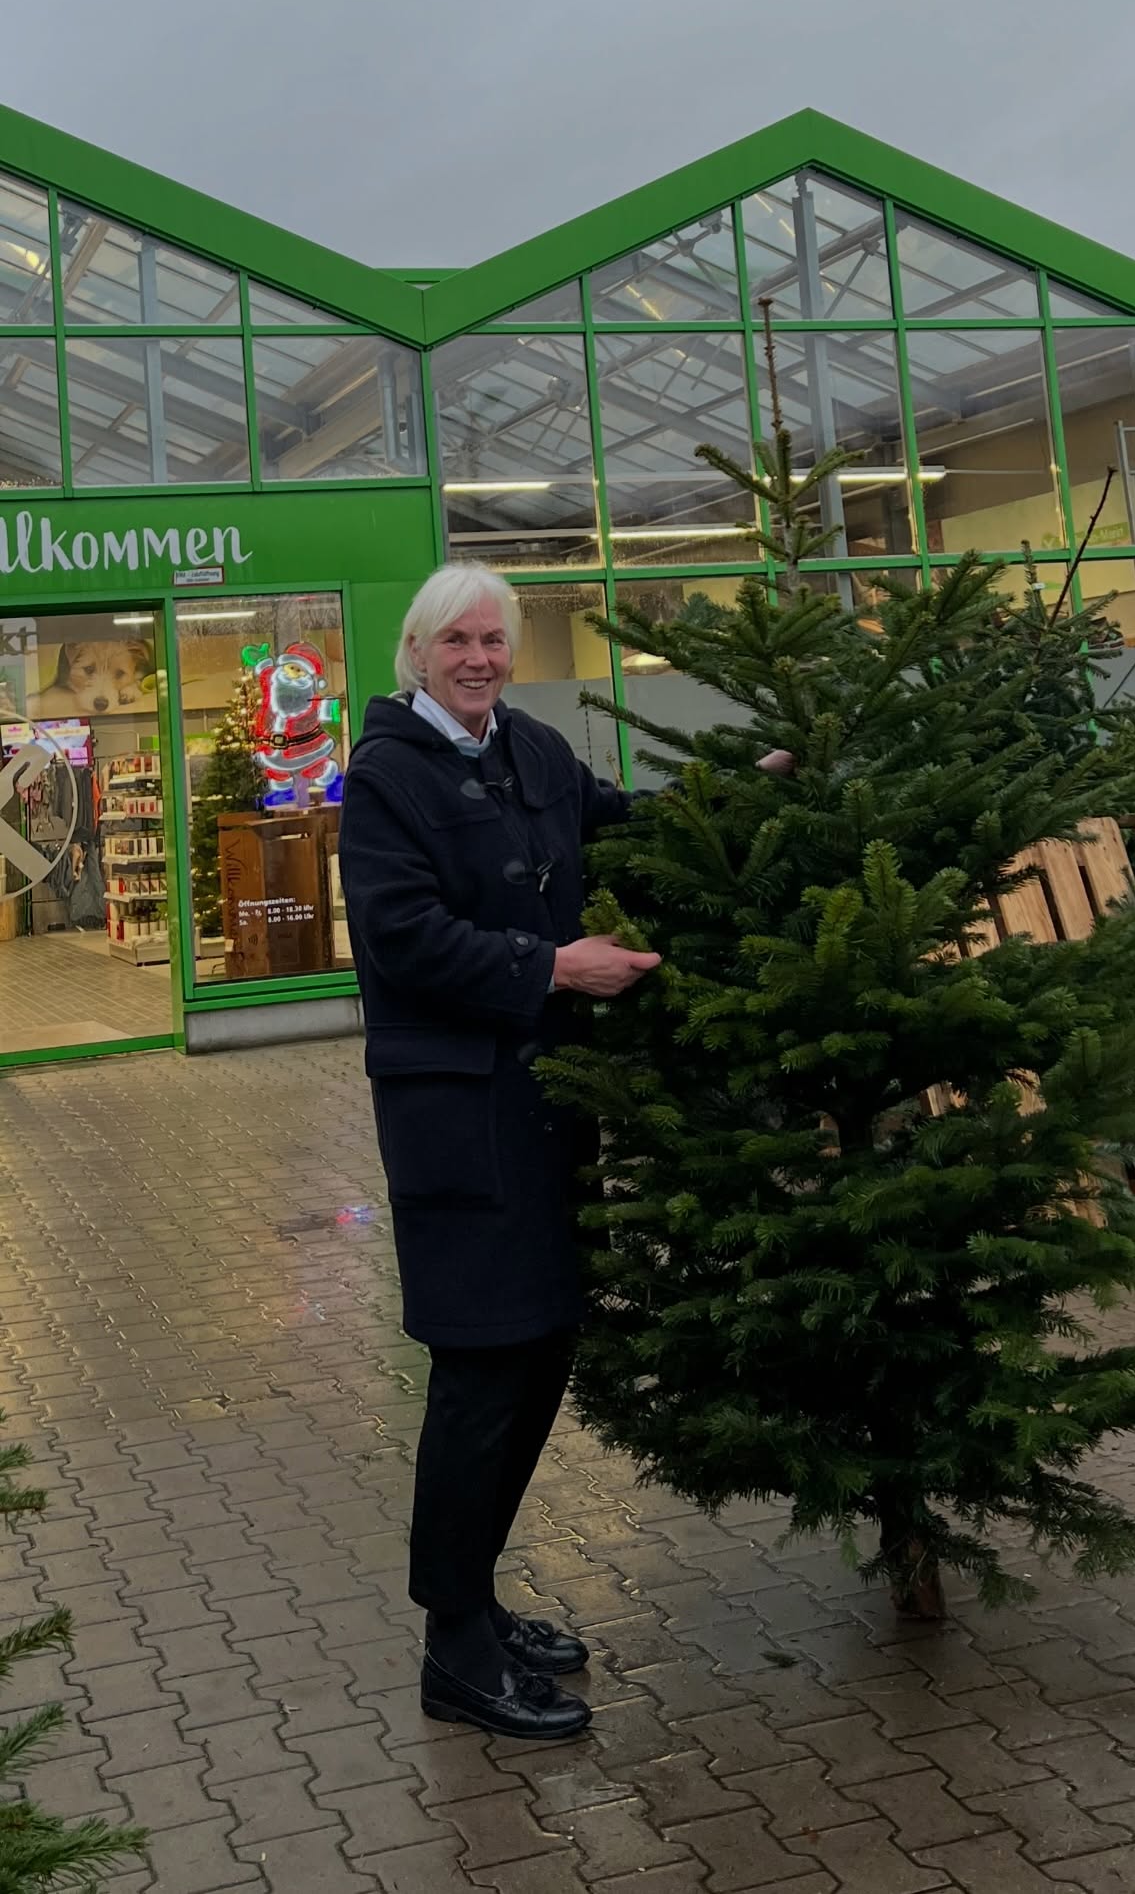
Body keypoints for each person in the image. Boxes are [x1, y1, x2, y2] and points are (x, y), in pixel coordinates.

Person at [338, 564, 664, 1742]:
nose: (480, 656)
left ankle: (477, 1598)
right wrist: (551, 967)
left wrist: (746, 791)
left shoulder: (526, 747)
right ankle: (454, 1648)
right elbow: (406, 936)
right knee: (482, 1369)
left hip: (548, 1108)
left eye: (496, 638)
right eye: (458, 639)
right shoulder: (383, 779)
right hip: (458, 1126)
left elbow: (616, 822)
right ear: (417, 652)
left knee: (541, 1353)